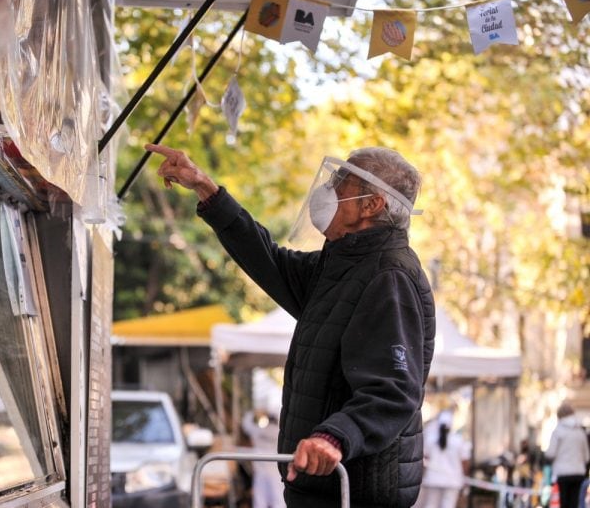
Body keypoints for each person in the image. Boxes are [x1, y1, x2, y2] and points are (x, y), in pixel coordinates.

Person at [146, 143, 435, 507]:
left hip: (352, 491)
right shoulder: (342, 267)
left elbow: (394, 392)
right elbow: (269, 260)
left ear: (371, 205)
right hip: (321, 485)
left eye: (343, 180)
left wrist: (334, 438)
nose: (330, 187)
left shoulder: (388, 276)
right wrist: (206, 188)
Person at [416, 410, 471, 508]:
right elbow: (464, 461)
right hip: (452, 480)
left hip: (433, 479)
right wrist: (465, 477)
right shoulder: (458, 440)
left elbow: (424, 458)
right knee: (448, 505)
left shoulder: (430, 440)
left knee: (431, 505)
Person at [544, 401, 590, 508]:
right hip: (578, 473)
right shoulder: (580, 432)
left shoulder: (558, 431)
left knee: (563, 503)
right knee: (574, 502)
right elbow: (587, 456)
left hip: (562, 474)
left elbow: (550, 453)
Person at [242, 410, 285, 508]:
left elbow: (247, 424)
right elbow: (247, 425)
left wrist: (270, 413)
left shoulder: (278, 433)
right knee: (260, 502)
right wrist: (258, 412)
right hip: (261, 473)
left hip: (276, 474)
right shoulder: (258, 431)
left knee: (278, 501)